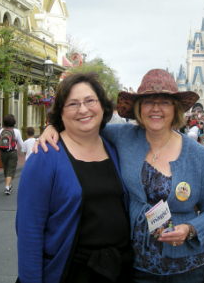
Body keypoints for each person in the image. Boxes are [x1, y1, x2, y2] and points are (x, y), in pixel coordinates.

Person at [37, 69, 204, 283]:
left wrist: (190, 229)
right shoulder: (121, 137)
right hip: (135, 268)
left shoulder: (198, 156)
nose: (156, 109)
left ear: (176, 109)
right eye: (148, 102)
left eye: (164, 102)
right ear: (139, 108)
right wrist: (53, 126)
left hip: (187, 270)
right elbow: (83, 123)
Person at [17, 73, 132, 283]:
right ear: (61, 112)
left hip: (118, 269)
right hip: (71, 272)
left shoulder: (112, 147)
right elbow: (29, 231)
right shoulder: (45, 155)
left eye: (90, 101)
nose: (83, 109)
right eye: (72, 104)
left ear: (102, 106)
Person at [0, 114, 23, 195]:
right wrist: (24, 151)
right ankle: (7, 187)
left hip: (3, 153)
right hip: (12, 152)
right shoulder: (17, 131)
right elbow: (21, 143)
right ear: (14, 122)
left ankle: (8, 185)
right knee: (11, 169)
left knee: (6, 169)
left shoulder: (1, 131)